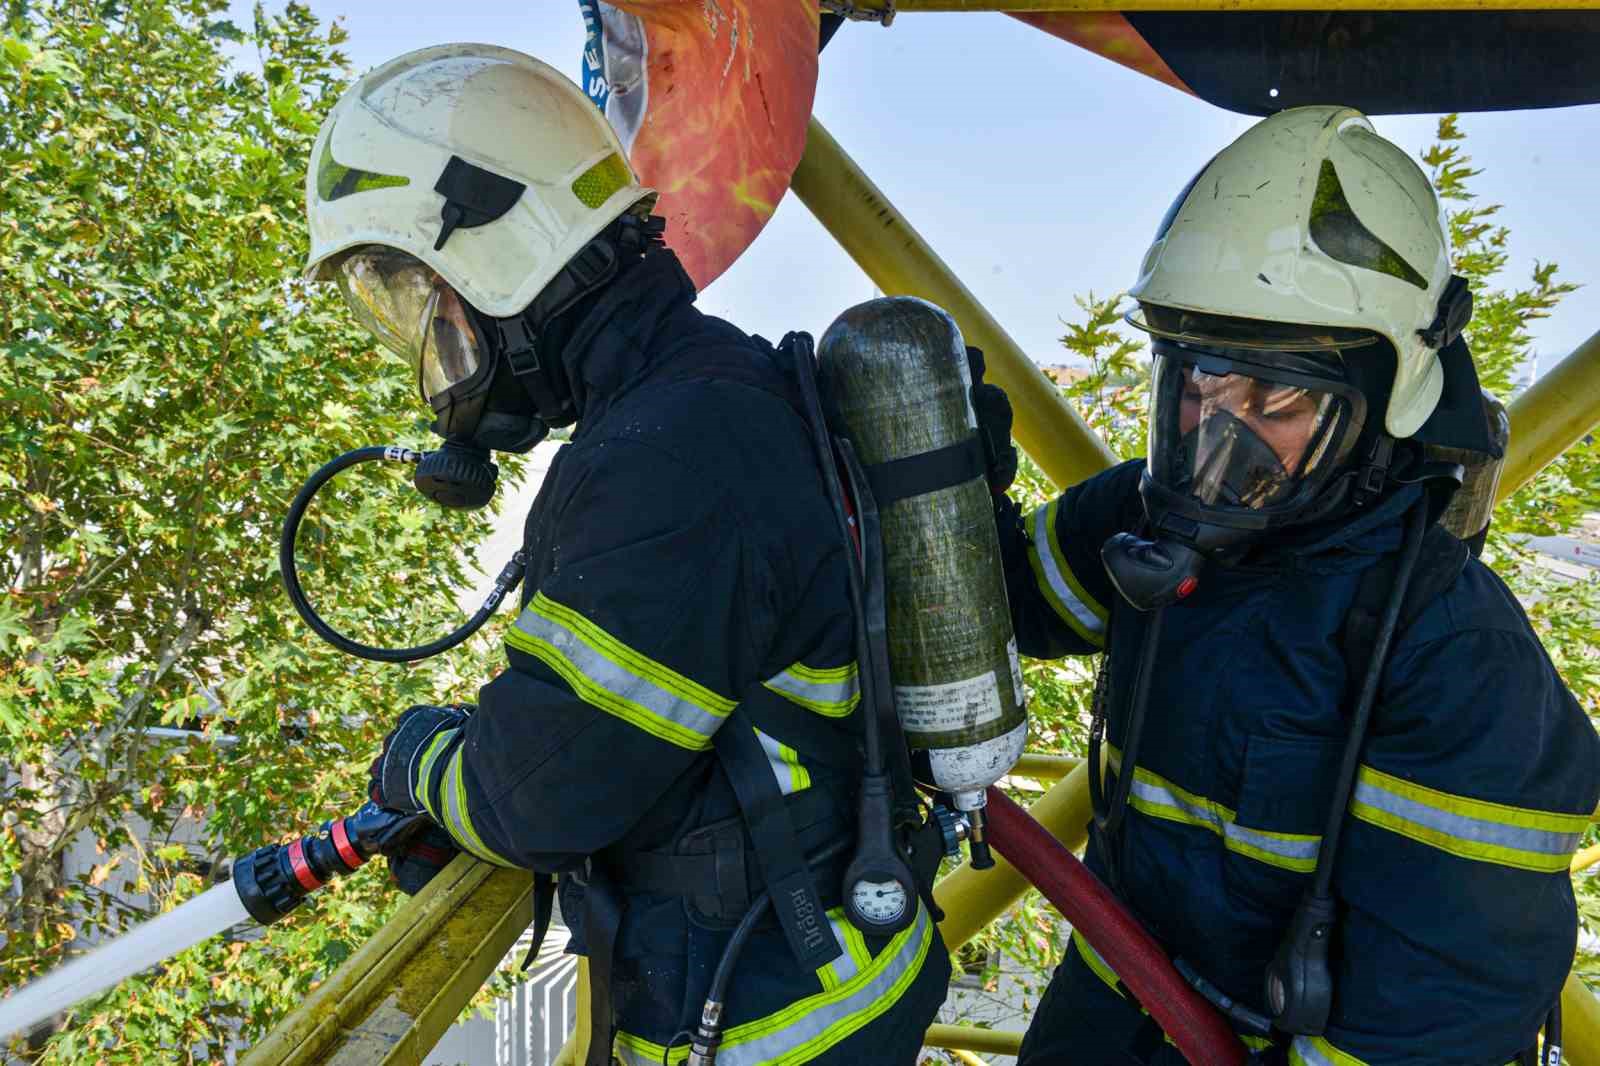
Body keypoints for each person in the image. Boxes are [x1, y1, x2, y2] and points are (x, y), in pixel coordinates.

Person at [301, 44, 950, 1066]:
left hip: (773, 1025)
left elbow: (535, 795)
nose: (428, 343)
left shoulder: (667, 463)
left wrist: (416, 757)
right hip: (840, 975)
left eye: (419, 299)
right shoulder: (711, 388)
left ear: (494, 251)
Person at [978, 105, 1600, 1064]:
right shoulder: (1159, 513)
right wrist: (933, 501)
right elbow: (1003, 605)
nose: (1214, 437)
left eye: (1274, 398)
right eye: (1194, 384)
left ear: (1385, 400)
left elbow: (1432, 1021)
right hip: (1117, 996)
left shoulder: (1457, 664)